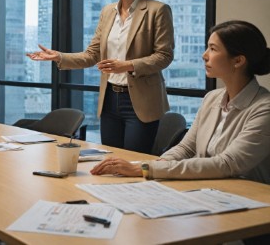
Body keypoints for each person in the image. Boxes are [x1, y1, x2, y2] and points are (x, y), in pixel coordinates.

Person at [27, 0, 174, 153]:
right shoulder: (108, 12)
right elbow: (92, 55)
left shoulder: (158, 10)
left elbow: (164, 56)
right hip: (110, 101)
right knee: (110, 160)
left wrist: (127, 65)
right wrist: (59, 56)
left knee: (132, 162)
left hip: (141, 102)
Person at [91, 20, 270, 184]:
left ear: (238, 61)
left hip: (248, 198)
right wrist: (157, 164)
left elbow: (227, 164)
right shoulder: (212, 98)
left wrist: (144, 169)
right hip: (207, 189)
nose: (204, 55)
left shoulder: (264, 108)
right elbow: (186, 148)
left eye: (213, 49)